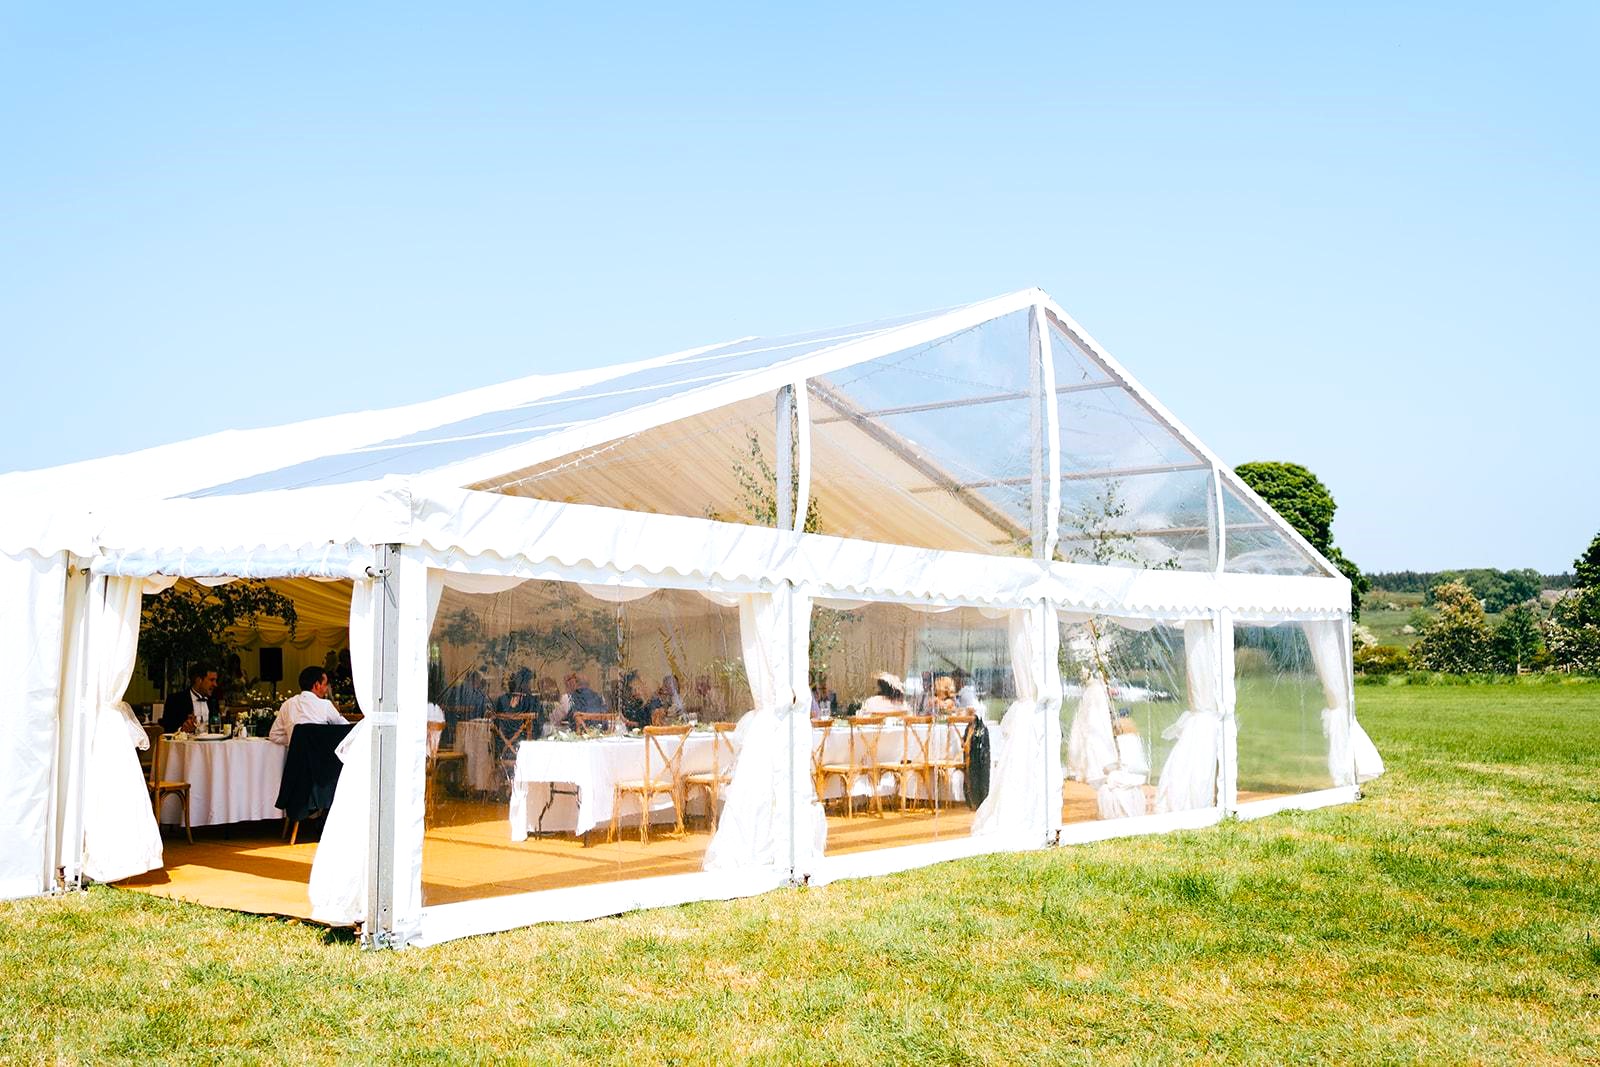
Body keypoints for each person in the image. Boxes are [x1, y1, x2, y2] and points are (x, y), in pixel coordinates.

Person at [270, 666, 350, 746]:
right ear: (317, 685)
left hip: (296, 757)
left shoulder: (287, 704)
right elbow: (347, 729)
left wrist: (295, 740)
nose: (326, 689)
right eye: (325, 685)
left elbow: (274, 735)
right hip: (320, 757)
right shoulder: (325, 705)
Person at [161, 664, 218, 733]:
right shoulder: (175, 700)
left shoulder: (213, 701)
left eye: (215, 680)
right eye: (211, 680)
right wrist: (182, 730)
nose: (215, 684)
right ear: (198, 680)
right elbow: (168, 730)